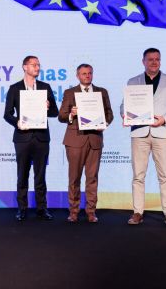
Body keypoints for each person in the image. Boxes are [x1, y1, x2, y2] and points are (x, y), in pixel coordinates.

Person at [120, 48, 166, 227]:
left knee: (165, 176)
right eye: (150, 59)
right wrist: (125, 114)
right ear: (143, 61)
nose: (154, 62)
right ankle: (137, 212)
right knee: (138, 175)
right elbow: (124, 105)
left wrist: (164, 119)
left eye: (157, 59)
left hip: (161, 132)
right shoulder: (133, 81)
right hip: (139, 132)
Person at [4, 55, 59, 221]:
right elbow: (7, 114)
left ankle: (42, 209)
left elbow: (55, 112)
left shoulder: (45, 87)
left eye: (38, 65)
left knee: (40, 175)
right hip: (22, 138)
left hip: (41, 138)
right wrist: (17, 123)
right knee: (22, 175)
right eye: (34, 64)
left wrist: (48, 107)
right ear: (24, 67)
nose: (37, 67)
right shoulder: (15, 88)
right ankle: (22, 209)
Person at [58, 64, 113, 223]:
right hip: (75, 140)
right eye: (84, 73)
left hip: (95, 139)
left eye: (89, 73)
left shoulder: (102, 92)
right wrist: (71, 114)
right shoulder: (69, 93)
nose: (87, 76)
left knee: (92, 178)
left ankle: (91, 212)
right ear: (78, 76)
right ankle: (73, 212)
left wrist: (104, 123)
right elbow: (61, 116)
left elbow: (109, 113)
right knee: (74, 178)